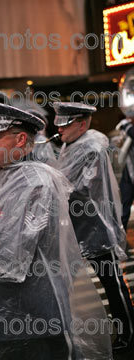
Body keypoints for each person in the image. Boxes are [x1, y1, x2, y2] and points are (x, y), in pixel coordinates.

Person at [0, 103, 112, 360]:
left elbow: (15, 245)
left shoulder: (36, 180)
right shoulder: (6, 173)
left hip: (34, 309)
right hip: (1, 304)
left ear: (20, 139)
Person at [54, 101, 134, 353]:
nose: (59, 131)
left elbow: (80, 187)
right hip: (75, 227)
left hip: (95, 225)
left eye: (65, 125)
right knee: (63, 284)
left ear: (81, 123)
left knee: (112, 284)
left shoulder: (91, 146)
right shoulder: (70, 145)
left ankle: (128, 334)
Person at [116, 117, 134, 231]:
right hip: (128, 176)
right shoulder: (128, 131)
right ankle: (119, 239)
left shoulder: (129, 129)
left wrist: (126, 126)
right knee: (124, 210)